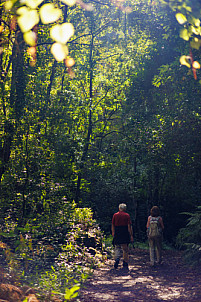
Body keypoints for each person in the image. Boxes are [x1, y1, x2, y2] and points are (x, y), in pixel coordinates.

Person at [112, 203, 133, 269]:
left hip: (117, 231)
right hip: (124, 232)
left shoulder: (115, 215)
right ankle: (125, 262)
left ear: (119, 208)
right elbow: (129, 226)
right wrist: (131, 235)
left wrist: (113, 232)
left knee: (117, 247)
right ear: (125, 209)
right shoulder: (127, 215)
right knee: (125, 248)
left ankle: (117, 259)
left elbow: (112, 224)